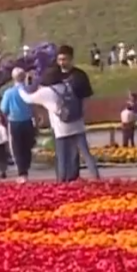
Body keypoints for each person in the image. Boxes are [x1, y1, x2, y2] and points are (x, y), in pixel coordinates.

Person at [54, 45, 99, 179]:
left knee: (82, 150)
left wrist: (82, 112)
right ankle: (63, 179)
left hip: (76, 118)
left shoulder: (79, 75)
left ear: (71, 59)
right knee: (62, 153)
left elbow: (86, 96)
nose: (62, 63)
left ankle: (95, 177)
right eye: (60, 59)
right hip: (59, 121)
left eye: (65, 59)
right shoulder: (54, 75)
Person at [0, 67, 34, 183]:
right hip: (28, 121)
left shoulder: (9, 93)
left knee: (17, 147)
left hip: (15, 122)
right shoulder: (28, 90)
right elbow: (33, 106)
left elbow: (3, 109)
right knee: (27, 147)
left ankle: (22, 172)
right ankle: (26, 168)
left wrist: (1, 122)